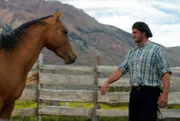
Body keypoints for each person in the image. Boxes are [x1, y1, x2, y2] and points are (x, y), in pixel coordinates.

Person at [101, 21, 171, 121]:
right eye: (132, 32)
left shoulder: (156, 50)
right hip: (134, 94)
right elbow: (120, 70)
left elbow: (165, 72)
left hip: (150, 93)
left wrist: (165, 93)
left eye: (135, 32)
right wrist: (107, 82)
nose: (132, 35)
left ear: (143, 33)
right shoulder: (131, 53)